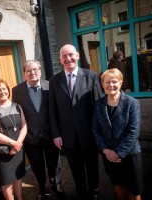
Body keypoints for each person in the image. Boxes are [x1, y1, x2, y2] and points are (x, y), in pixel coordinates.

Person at [49, 44, 102, 200]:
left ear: (78, 55)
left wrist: (99, 134)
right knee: (76, 172)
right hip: (68, 137)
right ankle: (82, 196)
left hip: (89, 136)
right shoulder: (54, 81)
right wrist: (56, 134)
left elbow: (98, 107)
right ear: (60, 59)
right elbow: (52, 111)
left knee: (93, 170)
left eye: (71, 55)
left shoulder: (91, 76)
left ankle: (94, 195)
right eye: (64, 56)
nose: (68, 59)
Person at [12, 60, 64, 200]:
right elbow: (17, 114)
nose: (33, 73)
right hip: (31, 138)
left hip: (50, 136)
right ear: (24, 73)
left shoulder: (50, 85)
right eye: (29, 71)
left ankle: (57, 188)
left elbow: (57, 110)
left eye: (35, 69)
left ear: (40, 70)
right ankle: (42, 190)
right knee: (37, 167)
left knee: (55, 166)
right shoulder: (17, 90)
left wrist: (58, 132)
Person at [92, 68, 143, 200]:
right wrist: (105, 150)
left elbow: (134, 131)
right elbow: (95, 129)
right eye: (107, 82)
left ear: (120, 83)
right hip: (108, 155)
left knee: (134, 190)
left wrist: (118, 153)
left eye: (114, 82)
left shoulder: (132, 103)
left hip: (129, 155)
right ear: (102, 85)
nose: (111, 85)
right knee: (118, 186)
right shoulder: (98, 105)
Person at [0, 79, 27, 200]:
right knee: (7, 181)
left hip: (18, 147)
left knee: (18, 176)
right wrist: (13, 143)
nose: (2, 92)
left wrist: (18, 143)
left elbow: (24, 126)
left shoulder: (17, 106)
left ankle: (20, 198)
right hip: (3, 150)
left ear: (8, 90)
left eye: (4, 89)